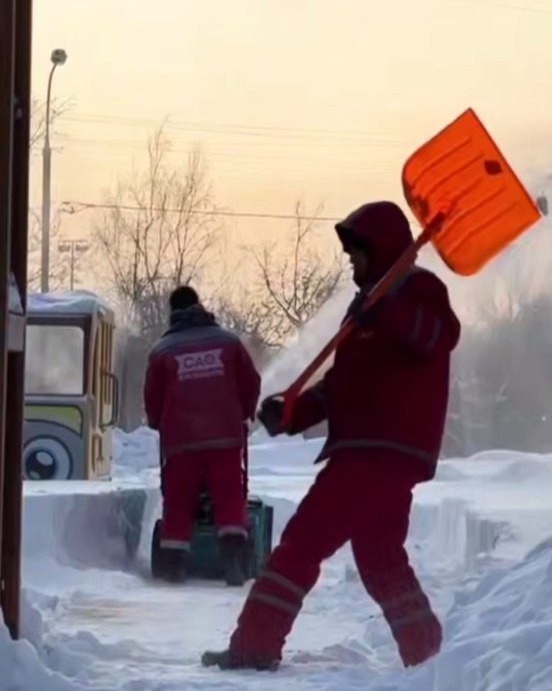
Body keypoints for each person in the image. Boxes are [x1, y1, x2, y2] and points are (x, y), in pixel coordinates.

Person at [203, 200, 461, 672]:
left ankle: (254, 646)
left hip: (379, 453)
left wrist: (384, 312)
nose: (349, 261)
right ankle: (430, 659)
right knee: (381, 559)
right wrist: (293, 411)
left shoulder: (420, 291)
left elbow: (437, 336)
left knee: (301, 542)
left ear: (379, 250)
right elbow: (343, 385)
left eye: (355, 252)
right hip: (372, 452)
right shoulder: (365, 308)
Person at [145, 286, 261, 586]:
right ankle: (233, 555)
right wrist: (244, 412)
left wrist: (157, 421)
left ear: (172, 313)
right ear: (200, 306)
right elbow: (251, 381)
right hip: (225, 434)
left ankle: (172, 562)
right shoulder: (228, 342)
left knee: (179, 496)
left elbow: (152, 396)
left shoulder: (162, 349)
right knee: (229, 493)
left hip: (181, 438)